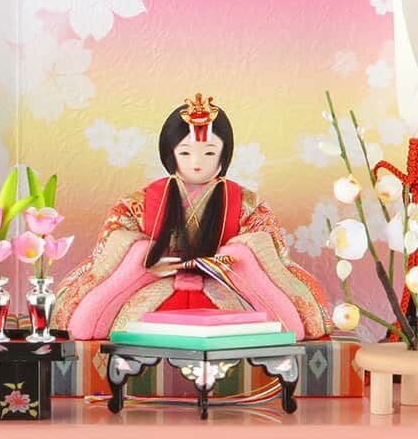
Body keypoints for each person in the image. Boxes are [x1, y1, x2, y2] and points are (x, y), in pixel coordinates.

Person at [52, 94, 333, 340]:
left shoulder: (247, 204)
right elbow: (114, 242)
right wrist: (146, 259)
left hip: (228, 292)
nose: (197, 162)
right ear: (170, 153)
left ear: (224, 154)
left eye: (209, 152)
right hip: (152, 290)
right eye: (185, 152)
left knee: (267, 308)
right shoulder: (140, 202)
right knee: (95, 312)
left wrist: (233, 259)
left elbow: (266, 250)